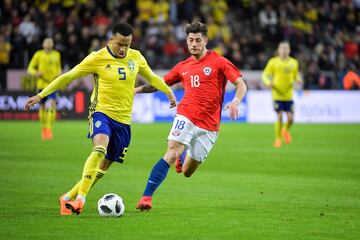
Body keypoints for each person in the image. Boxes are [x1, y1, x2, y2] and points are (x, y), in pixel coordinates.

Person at [24, 23, 177, 215]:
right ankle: (80, 199)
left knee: (104, 166)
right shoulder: (97, 58)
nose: (123, 49)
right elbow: (68, 77)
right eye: (119, 44)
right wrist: (41, 95)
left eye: (127, 45)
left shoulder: (136, 57)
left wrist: (168, 92)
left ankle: (67, 198)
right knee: (99, 148)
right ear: (111, 39)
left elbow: (153, 78)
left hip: (123, 121)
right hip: (101, 112)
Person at [135, 21, 247, 211]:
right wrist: (135, 90)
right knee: (171, 152)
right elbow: (159, 84)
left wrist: (235, 101)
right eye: (190, 40)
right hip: (186, 114)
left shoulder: (219, 61)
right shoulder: (182, 66)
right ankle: (147, 196)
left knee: (187, 172)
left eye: (197, 40)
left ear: (205, 41)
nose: (193, 44)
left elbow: (241, 84)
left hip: (209, 126)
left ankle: (183, 156)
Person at [261, 41, 302, 148]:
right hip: (277, 94)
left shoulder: (294, 63)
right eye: (282, 48)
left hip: (288, 94)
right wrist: (268, 82)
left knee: (290, 119)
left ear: (289, 50)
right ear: (278, 50)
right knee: (279, 116)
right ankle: (278, 139)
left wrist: (298, 79)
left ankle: (285, 130)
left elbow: (295, 76)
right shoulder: (273, 62)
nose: (284, 50)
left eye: (286, 48)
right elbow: (264, 75)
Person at [27, 38, 61, 140]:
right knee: (42, 107)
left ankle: (49, 129)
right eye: (46, 42)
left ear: (53, 44)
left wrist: (59, 74)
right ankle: (43, 128)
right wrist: (36, 73)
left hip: (52, 84)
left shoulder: (56, 54)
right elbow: (30, 68)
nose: (48, 44)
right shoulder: (38, 54)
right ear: (43, 44)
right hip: (41, 85)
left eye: (50, 42)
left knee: (51, 106)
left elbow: (59, 67)